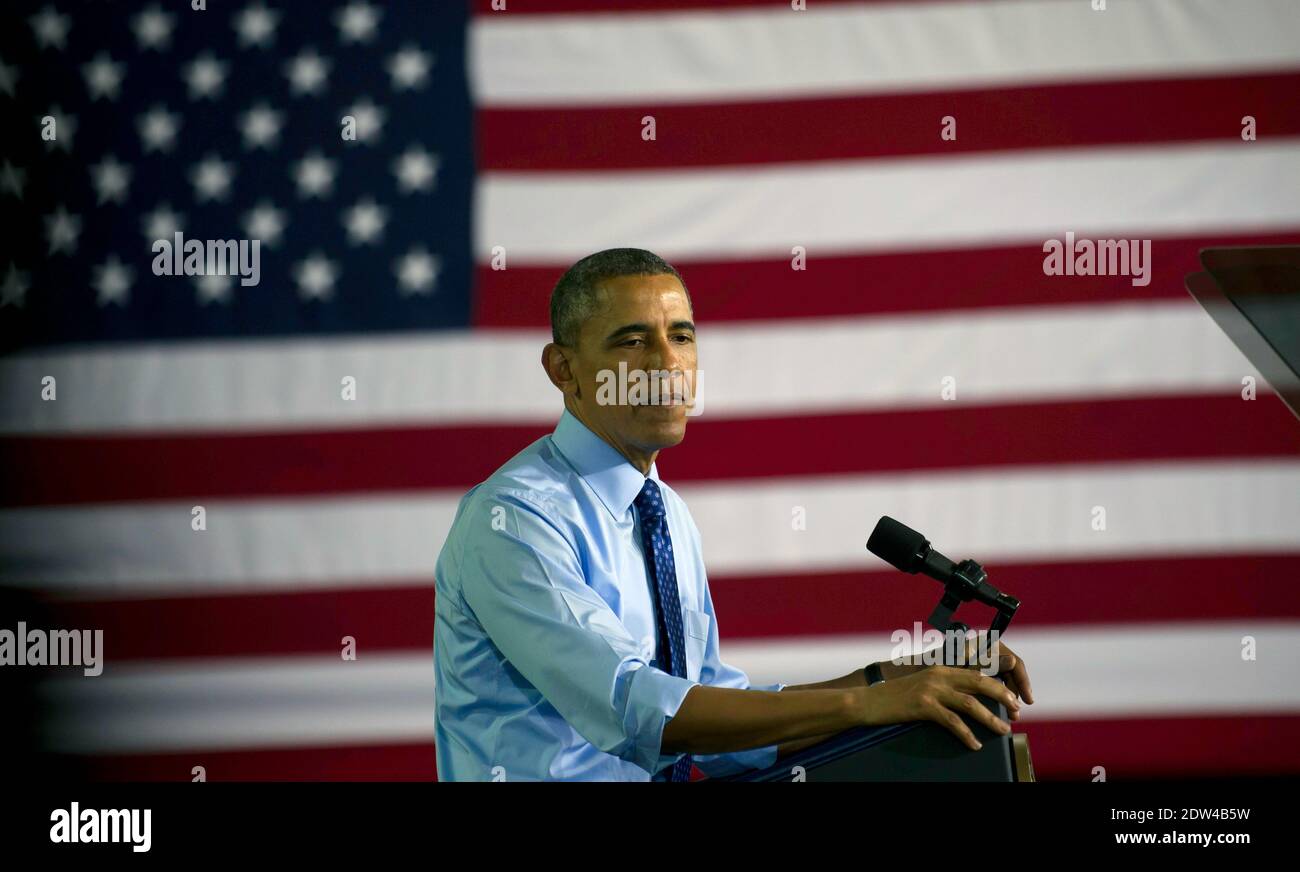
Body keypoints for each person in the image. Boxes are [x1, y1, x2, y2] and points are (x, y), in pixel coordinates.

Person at [433, 248, 1033, 781]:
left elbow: (717, 728)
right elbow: (646, 711)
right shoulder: (514, 519)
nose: (667, 364)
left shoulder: (665, 514)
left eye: (683, 336)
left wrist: (894, 679)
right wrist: (865, 704)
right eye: (633, 340)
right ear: (564, 371)